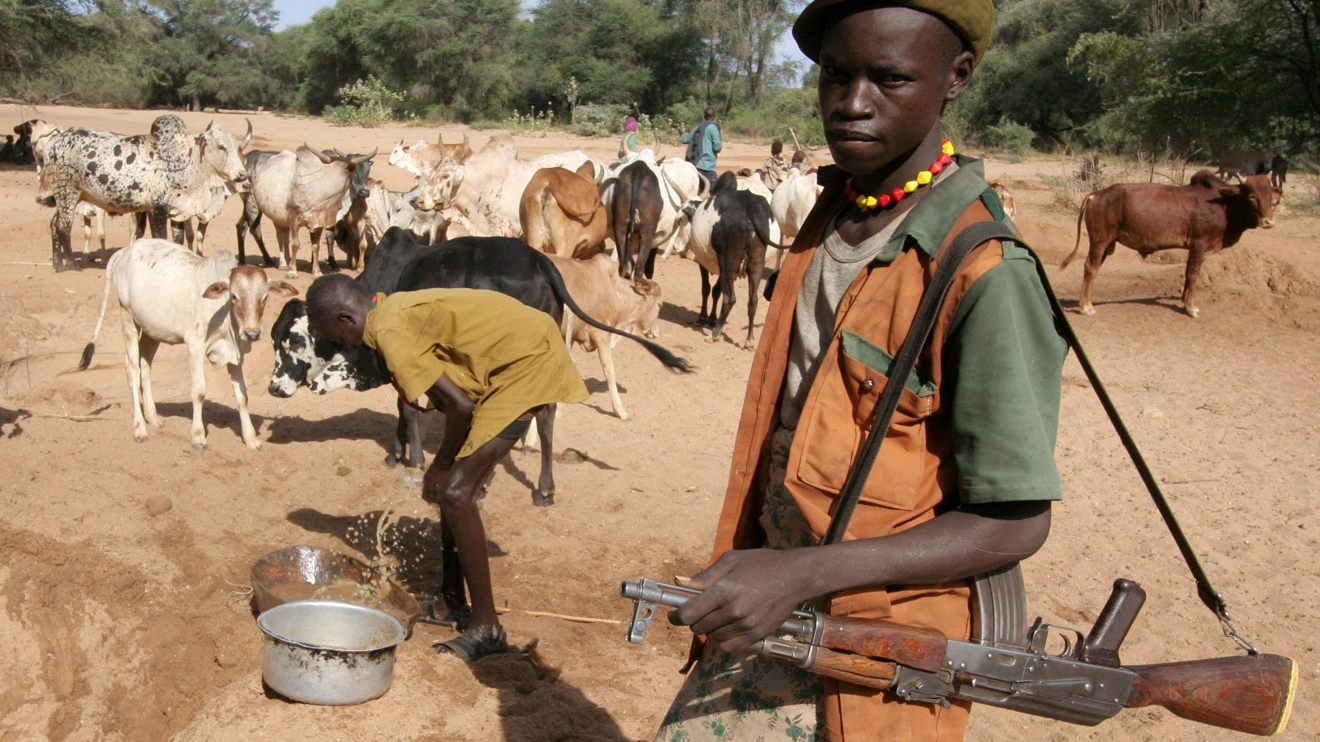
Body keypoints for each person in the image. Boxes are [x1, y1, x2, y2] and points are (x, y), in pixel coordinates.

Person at [652, 1, 1067, 741]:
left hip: (878, 636)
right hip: (774, 590)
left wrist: (802, 575)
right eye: (837, 76)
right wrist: (771, 569)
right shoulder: (832, 212)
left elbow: (1015, 521)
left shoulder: (984, 272)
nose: (852, 103)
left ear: (956, 78)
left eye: (891, 79)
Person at [305, 276, 589, 660]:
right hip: (514, 355)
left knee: (455, 493)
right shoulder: (390, 309)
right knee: (450, 491)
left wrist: (439, 465)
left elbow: (460, 406)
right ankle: (451, 601)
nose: (346, 347)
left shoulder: (387, 330)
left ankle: (487, 628)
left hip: (526, 363)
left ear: (345, 318)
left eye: (339, 339)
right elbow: (449, 391)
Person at [674, 107, 722, 185]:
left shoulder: (698, 128)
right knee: (715, 190)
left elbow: (685, 139)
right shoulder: (713, 128)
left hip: (694, 165)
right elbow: (717, 148)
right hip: (707, 167)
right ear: (714, 116)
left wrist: (678, 128)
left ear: (704, 117)